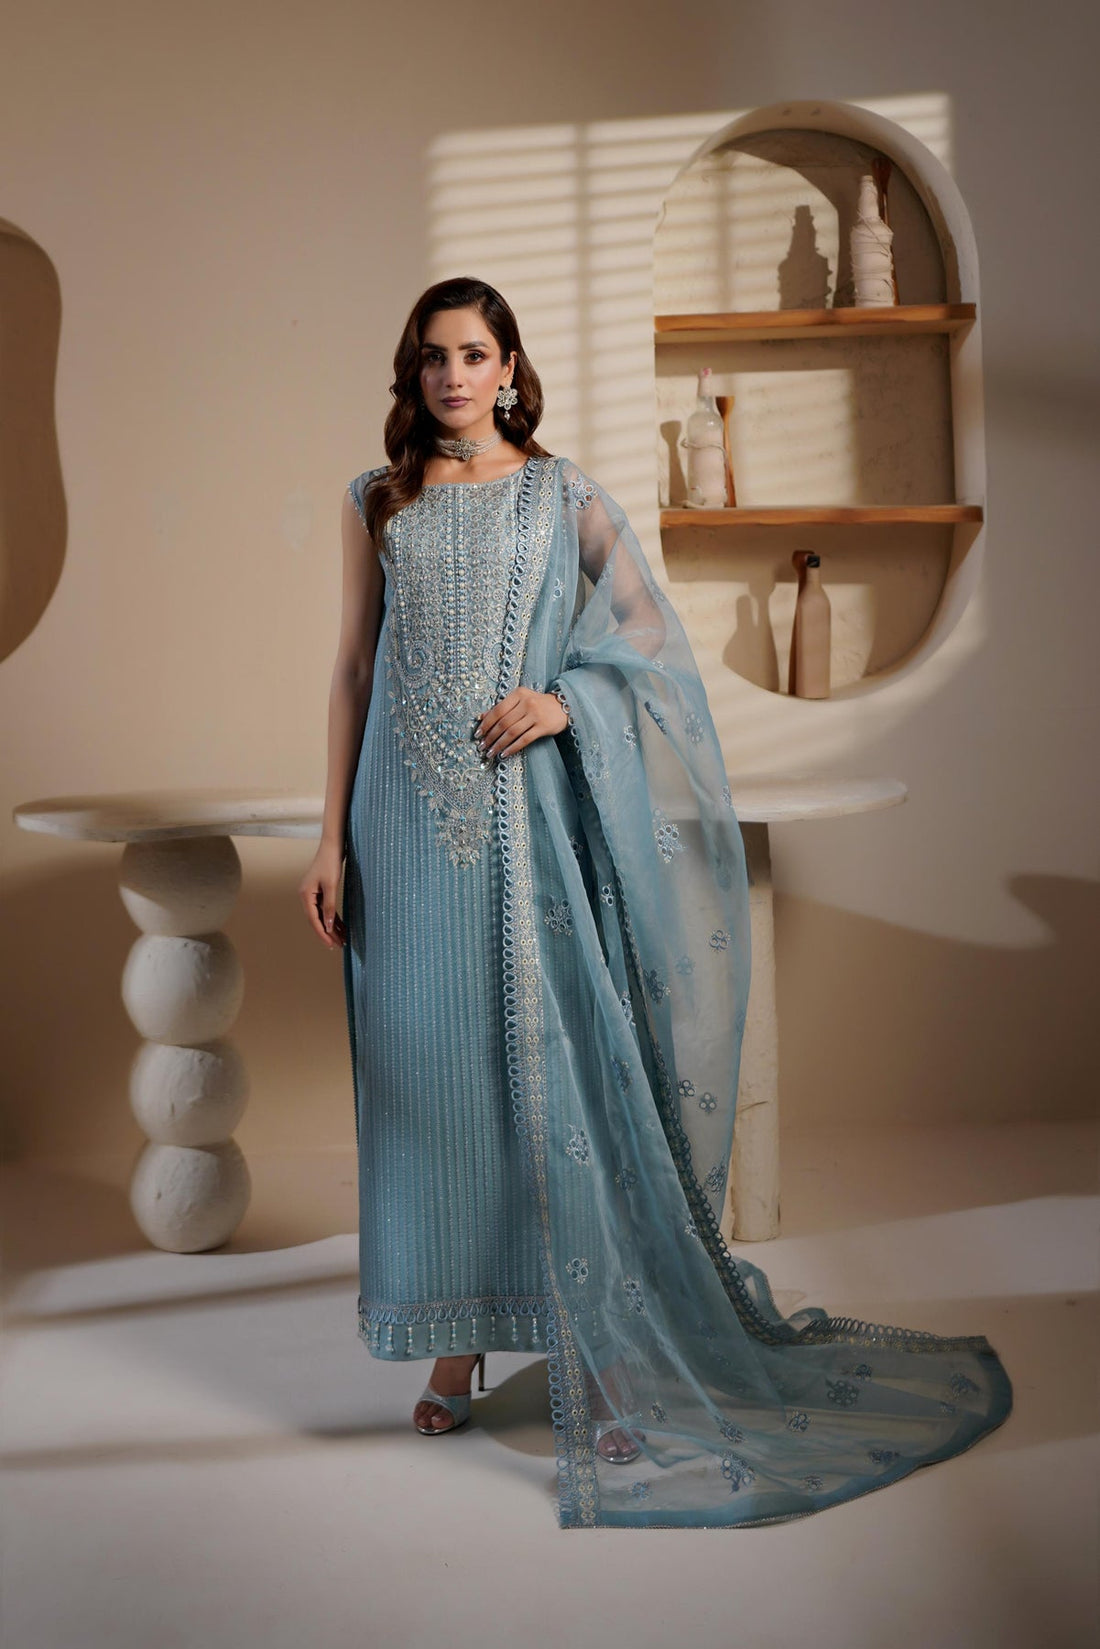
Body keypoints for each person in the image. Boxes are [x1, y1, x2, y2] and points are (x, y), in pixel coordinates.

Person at [298, 275, 1013, 1529]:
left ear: (510, 369)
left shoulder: (561, 494)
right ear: (412, 374)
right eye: (432, 357)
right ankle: (455, 1346)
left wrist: (562, 700)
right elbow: (354, 666)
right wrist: (328, 839)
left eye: (473, 354)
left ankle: (597, 1345)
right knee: (430, 1087)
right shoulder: (378, 499)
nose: (452, 376)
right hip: (399, 832)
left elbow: (645, 637)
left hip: (524, 830)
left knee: (552, 1080)